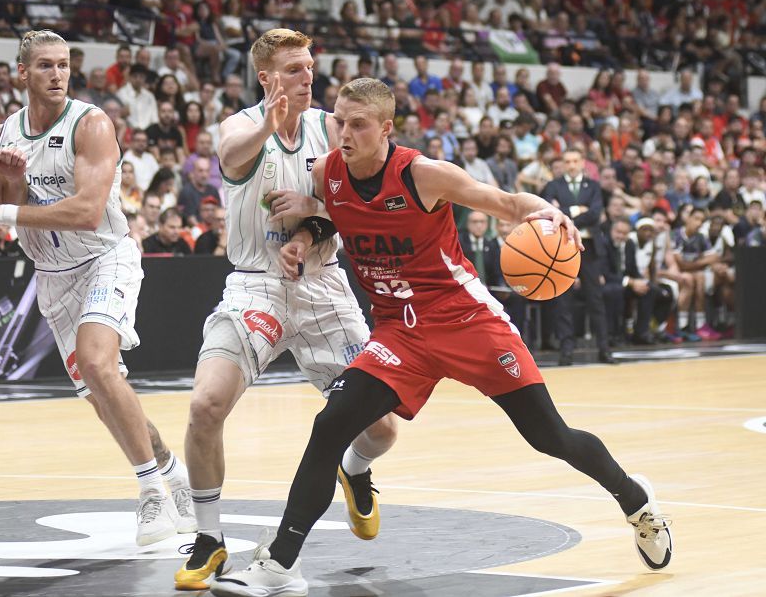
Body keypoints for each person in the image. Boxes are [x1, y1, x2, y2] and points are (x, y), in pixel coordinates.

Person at [209, 79, 673, 596]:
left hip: (465, 320)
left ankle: (635, 500)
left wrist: (548, 211)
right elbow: (333, 221)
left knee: (549, 436)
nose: (345, 133)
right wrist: (300, 237)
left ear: (386, 128)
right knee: (330, 425)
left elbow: (502, 201)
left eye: (359, 124)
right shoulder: (327, 171)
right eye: (340, 121)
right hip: (398, 333)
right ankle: (280, 564)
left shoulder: (423, 174)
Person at [0, 30, 195, 547]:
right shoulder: (1, 135)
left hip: (105, 257)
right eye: (45, 67)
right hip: (53, 277)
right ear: (21, 74)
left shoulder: (91, 124)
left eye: (63, 65)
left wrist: (3, 207)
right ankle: (170, 471)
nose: (57, 75)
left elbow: (86, 211)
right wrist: (4, 181)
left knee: (100, 365)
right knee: (103, 396)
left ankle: (150, 496)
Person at [176, 30, 399, 592]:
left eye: (309, 68)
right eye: (294, 70)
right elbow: (229, 157)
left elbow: (354, 203)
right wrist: (266, 126)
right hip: (257, 285)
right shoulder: (239, 126)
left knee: (384, 429)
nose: (308, 78)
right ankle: (208, 538)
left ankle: (353, 467)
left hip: (323, 284)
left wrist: (305, 229)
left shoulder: (333, 128)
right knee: (205, 405)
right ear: (266, 78)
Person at [541, 147, 614, 366]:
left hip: (589, 248)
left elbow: (594, 214)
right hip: (563, 248)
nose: (571, 165)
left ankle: (604, 349)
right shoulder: (553, 186)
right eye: (567, 161)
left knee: (596, 300)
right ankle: (566, 351)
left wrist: (565, 213)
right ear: (563, 164)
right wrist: (576, 211)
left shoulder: (593, 186)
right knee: (563, 301)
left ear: (583, 162)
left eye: (575, 161)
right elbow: (549, 212)